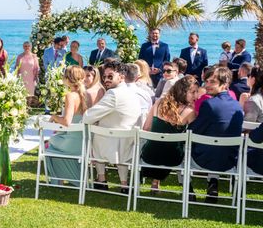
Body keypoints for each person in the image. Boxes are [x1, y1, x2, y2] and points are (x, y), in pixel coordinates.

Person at [82, 61, 141, 192]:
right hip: (128, 140)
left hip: (111, 141)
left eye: (110, 76)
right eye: (104, 77)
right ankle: (124, 184)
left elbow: (88, 117)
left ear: (121, 77)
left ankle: (101, 179)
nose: (106, 79)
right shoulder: (132, 92)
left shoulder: (113, 93)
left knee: (95, 133)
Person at [189, 66, 244, 202]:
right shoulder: (237, 106)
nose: (207, 85)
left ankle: (188, 189)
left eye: (212, 82)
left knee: (182, 148)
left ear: (224, 85)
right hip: (230, 159)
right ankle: (212, 183)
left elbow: (195, 130)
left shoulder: (209, 104)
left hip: (206, 159)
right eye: (207, 81)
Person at [140, 76, 199, 191]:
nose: (196, 96)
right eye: (193, 92)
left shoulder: (158, 103)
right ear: (182, 91)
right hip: (173, 158)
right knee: (172, 147)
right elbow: (192, 137)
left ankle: (153, 180)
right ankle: (188, 188)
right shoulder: (190, 112)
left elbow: (146, 128)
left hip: (150, 156)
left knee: (159, 144)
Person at [45, 66, 88, 185]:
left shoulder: (70, 95)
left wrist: (54, 117)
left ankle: (57, 180)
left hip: (72, 143)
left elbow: (67, 122)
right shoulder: (85, 94)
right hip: (83, 141)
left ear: (68, 79)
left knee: (48, 145)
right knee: (53, 141)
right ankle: (63, 178)